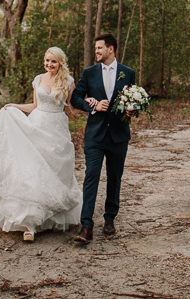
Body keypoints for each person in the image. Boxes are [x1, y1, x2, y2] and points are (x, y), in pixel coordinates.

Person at [0, 47, 81, 242]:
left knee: (55, 172)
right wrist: (14, 107)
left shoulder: (69, 82)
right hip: (36, 126)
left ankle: (51, 218)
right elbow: (34, 106)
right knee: (33, 171)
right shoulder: (38, 79)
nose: (49, 64)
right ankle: (30, 223)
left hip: (56, 130)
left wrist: (90, 107)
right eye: (47, 60)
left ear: (60, 62)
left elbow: (72, 107)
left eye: (53, 61)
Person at [70, 33, 135, 244]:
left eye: (99, 48)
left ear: (111, 49)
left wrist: (132, 111)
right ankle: (86, 226)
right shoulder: (89, 73)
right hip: (95, 136)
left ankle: (109, 219)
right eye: (96, 48)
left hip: (118, 135)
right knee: (91, 177)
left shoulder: (128, 73)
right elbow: (75, 98)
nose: (96, 51)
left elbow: (134, 101)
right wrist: (93, 105)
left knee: (115, 178)